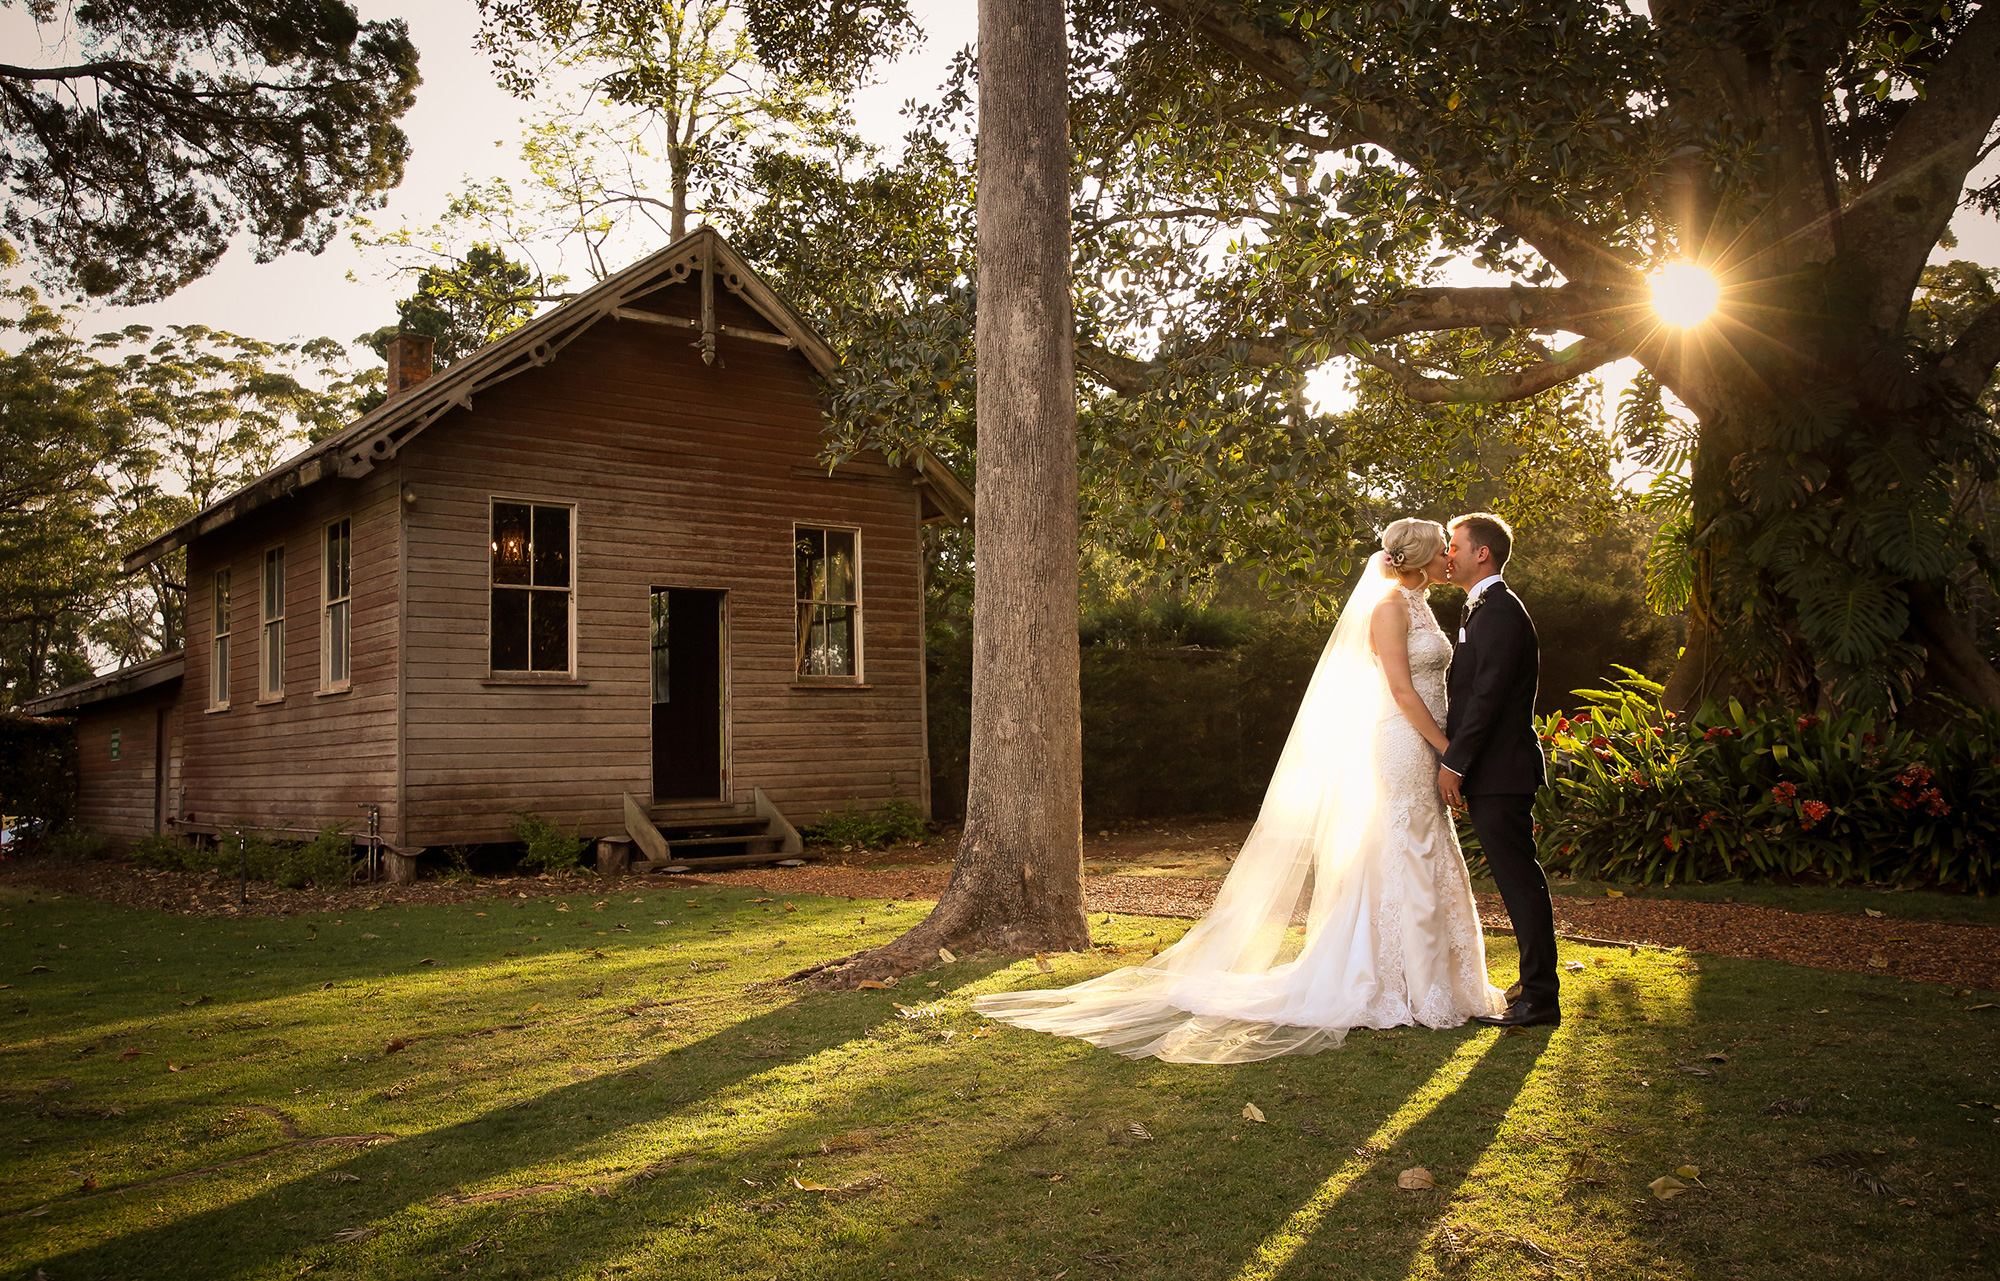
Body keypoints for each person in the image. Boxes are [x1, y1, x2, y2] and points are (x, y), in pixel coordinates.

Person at [971, 518, 1506, 1063]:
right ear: (1420, 559)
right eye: (1444, 550)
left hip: (1427, 739)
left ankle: (1434, 978)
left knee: (1423, 845)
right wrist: (1447, 748)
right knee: (1403, 844)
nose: (1451, 556)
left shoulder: (1423, 606)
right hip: (1404, 740)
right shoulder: (1389, 608)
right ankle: (1394, 979)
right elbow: (1398, 688)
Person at [1437, 512, 1559, 1028]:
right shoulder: (1479, 610)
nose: (1449, 554)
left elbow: (1485, 700)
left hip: (1500, 770)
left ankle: (1540, 997)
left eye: (1455, 546)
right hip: (1496, 769)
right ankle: (1534, 986)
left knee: (1518, 881)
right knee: (1517, 879)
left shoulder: (1501, 611)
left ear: (1480, 553)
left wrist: (1454, 764)